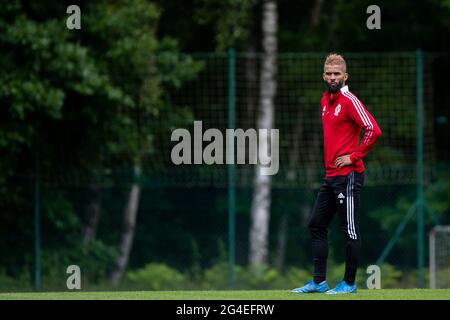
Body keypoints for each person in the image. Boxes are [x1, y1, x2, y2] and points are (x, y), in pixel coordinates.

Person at [292, 53, 382, 294]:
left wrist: (354, 156)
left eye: (337, 74)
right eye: (329, 74)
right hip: (331, 176)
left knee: (349, 229)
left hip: (349, 175)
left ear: (345, 76)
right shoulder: (325, 100)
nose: (333, 77)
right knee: (315, 223)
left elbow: (373, 130)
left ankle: (349, 284)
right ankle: (319, 282)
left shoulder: (349, 100)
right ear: (324, 76)